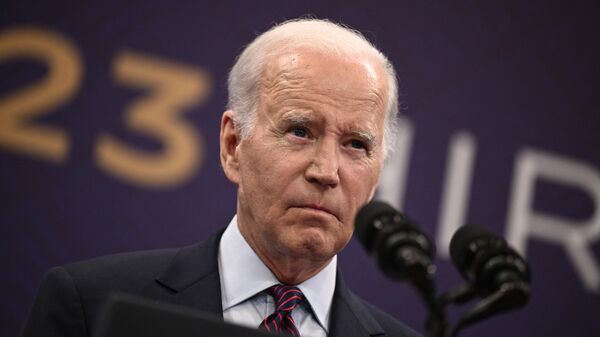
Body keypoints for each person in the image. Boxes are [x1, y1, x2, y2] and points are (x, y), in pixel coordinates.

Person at [20, 18, 422, 337]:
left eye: (356, 144)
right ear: (233, 145)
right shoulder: (91, 305)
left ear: (377, 174)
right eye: (300, 131)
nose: (326, 172)